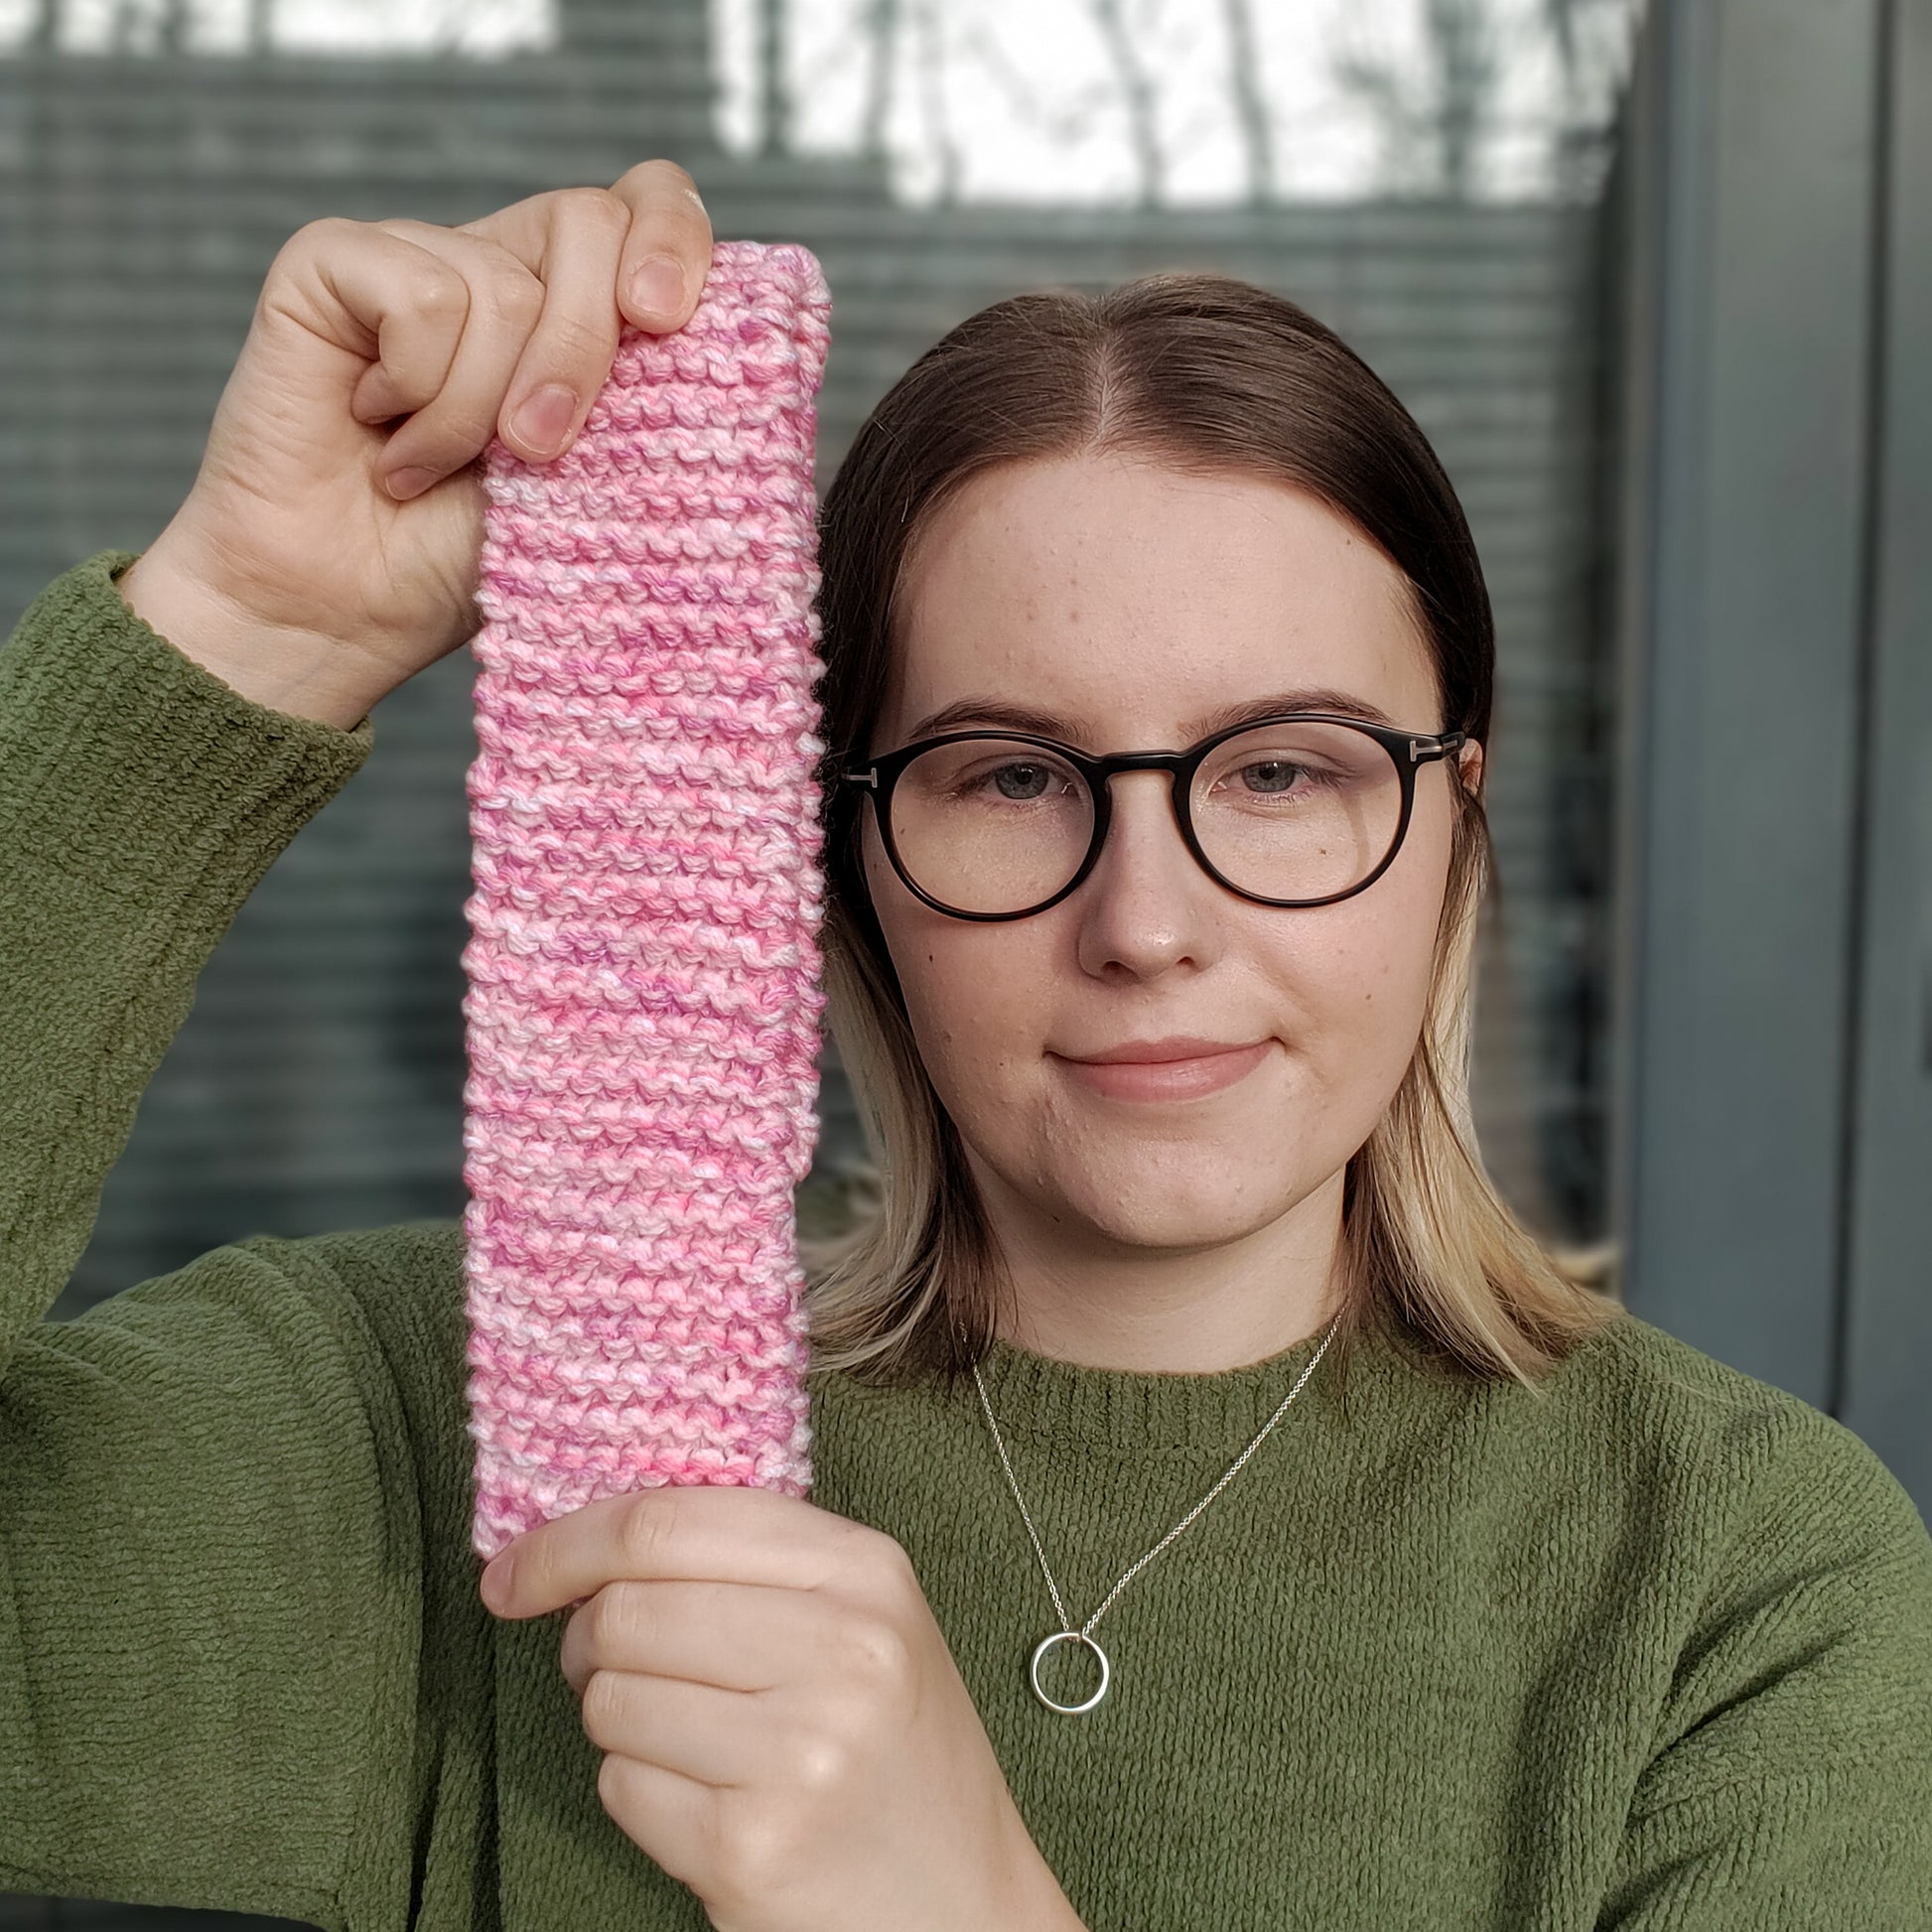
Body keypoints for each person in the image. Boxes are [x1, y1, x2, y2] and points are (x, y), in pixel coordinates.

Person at [0, 157, 1927, 1932]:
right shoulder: (448, 1437)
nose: (1146, 924)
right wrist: (241, 635)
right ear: (843, 857)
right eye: (1008, 775)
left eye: (1278, 769)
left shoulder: (1739, 1586)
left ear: (1449, 825)